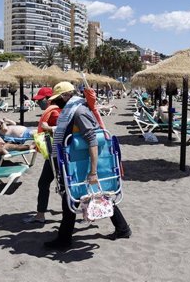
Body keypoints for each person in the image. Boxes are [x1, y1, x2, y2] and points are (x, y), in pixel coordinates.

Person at [44, 81, 131, 250]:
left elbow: (93, 140)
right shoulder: (73, 110)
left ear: (65, 96)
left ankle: (64, 240)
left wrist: (93, 172)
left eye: (58, 99)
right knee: (95, 194)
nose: (56, 103)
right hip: (78, 160)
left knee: (72, 198)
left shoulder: (79, 111)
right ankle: (123, 229)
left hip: (83, 163)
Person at [23, 85, 62, 224]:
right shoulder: (53, 111)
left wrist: (49, 130)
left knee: (46, 183)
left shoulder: (55, 112)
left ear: (49, 99)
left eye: (41, 100)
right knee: (57, 184)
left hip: (57, 154)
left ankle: (40, 215)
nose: (38, 102)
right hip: (54, 154)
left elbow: (62, 131)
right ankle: (41, 214)